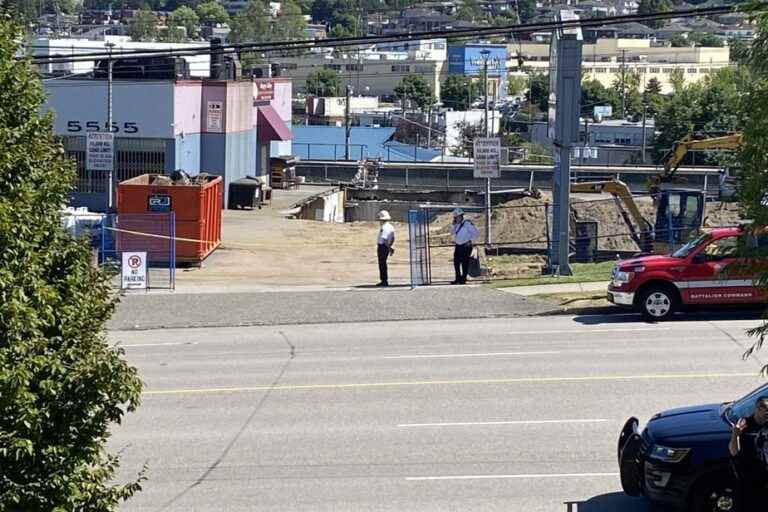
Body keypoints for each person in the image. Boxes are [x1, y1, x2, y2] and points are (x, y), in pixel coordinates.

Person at [729, 396, 768, 511]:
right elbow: (734, 451)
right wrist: (735, 435)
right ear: (757, 409)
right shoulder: (744, 425)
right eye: (766, 409)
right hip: (748, 480)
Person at [450, 208, 479, 285]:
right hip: (458, 246)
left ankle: (463, 279)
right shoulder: (456, 224)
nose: (456, 218)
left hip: (466, 246)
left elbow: (476, 233)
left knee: (464, 263)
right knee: (456, 263)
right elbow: (452, 233)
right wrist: (453, 225)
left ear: (461, 216)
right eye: (455, 217)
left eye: (458, 216)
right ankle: (457, 279)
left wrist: (471, 241)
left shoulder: (467, 224)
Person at [376, 210, 395, 287]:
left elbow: (384, 239)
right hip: (386, 246)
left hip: (383, 246)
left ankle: (384, 281)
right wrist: (390, 246)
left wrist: (389, 247)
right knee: (383, 263)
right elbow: (393, 238)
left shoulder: (384, 227)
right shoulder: (391, 226)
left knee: (382, 264)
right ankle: (383, 280)